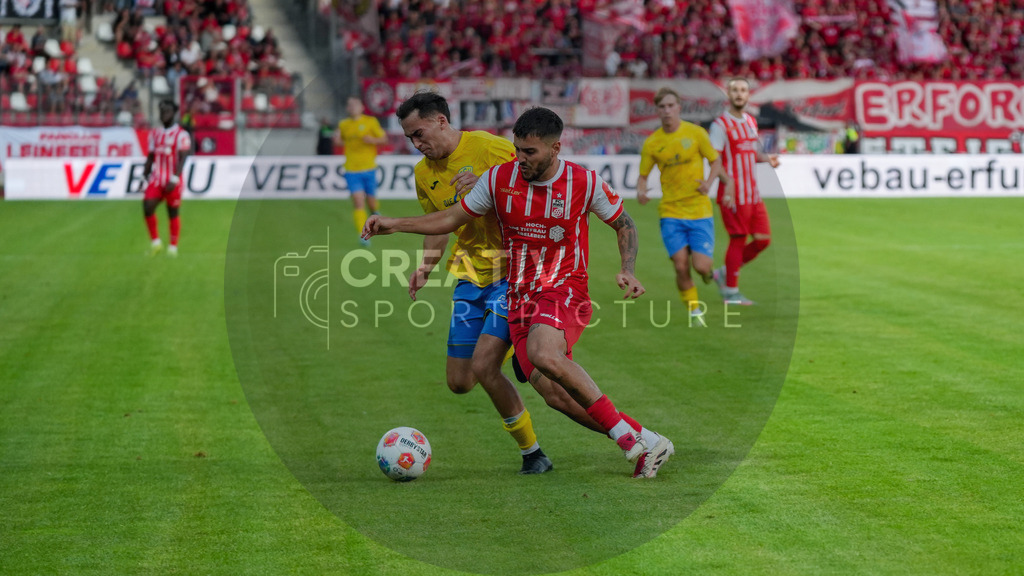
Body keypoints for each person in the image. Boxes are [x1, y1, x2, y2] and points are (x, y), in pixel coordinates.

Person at [365, 106, 674, 479]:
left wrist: (628, 269)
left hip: (563, 289)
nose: (520, 159)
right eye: (518, 149)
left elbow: (623, 223)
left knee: (543, 354)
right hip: (519, 296)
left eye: (529, 152)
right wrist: (393, 225)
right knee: (555, 395)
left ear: (555, 148)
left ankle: (627, 442)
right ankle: (647, 440)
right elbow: (449, 218)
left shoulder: (584, 182)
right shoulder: (498, 180)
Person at [395, 92, 595, 474]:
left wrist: (487, 186)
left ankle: (532, 452)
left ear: (441, 121)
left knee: (487, 365)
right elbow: (441, 222)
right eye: (410, 139)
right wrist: (426, 266)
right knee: (459, 381)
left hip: (514, 272)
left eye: (420, 133)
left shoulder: (490, 149)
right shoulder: (423, 173)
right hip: (471, 274)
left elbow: (537, 188)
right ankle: (515, 349)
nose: (417, 144)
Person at [637, 87, 733, 320]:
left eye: (671, 106)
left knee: (701, 267)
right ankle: (694, 310)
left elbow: (715, 161)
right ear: (658, 111)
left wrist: (709, 183)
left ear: (679, 107)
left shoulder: (696, 133)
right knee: (681, 265)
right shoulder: (652, 143)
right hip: (670, 211)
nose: (667, 110)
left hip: (699, 211)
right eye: (662, 107)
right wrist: (641, 191)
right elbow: (642, 176)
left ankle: (714, 275)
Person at [708, 78, 780, 305]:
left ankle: (723, 273)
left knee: (763, 240)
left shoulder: (750, 121)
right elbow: (714, 160)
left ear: (749, 95)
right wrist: (727, 182)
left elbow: (751, 154)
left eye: (743, 90)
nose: (739, 94)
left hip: (753, 193)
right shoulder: (719, 125)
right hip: (733, 194)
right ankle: (731, 292)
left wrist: (767, 158)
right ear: (728, 95)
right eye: (735, 90)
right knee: (738, 239)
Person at [142, 99, 191, 257]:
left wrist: (176, 178)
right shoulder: (155, 134)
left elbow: (183, 158)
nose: (164, 114)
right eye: (162, 111)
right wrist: (145, 172)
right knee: (148, 206)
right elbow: (151, 156)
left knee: (172, 212)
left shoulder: (181, 135)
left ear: (174, 113)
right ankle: (156, 243)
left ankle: (173, 246)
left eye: (167, 111)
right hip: (157, 179)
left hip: (172, 180)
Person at [337, 96, 387, 245]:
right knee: (358, 202)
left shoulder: (370, 122)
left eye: (355, 105)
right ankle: (363, 234)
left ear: (362, 107)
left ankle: (375, 213)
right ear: (347, 109)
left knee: (371, 202)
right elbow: (339, 140)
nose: (352, 107)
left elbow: (383, 139)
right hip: (352, 169)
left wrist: (372, 140)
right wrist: (337, 139)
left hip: (369, 168)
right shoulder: (344, 124)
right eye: (350, 105)